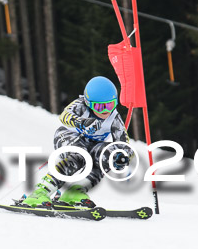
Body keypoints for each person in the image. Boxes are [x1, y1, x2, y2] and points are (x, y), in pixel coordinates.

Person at [21, 76, 134, 208]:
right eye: (98, 107)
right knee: (79, 155)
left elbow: (123, 143)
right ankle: (41, 191)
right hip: (68, 137)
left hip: (92, 145)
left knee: (106, 157)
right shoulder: (81, 106)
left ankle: (74, 192)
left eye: (109, 105)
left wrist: (121, 157)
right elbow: (64, 116)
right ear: (88, 102)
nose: (105, 111)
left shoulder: (114, 117)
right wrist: (82, 122)